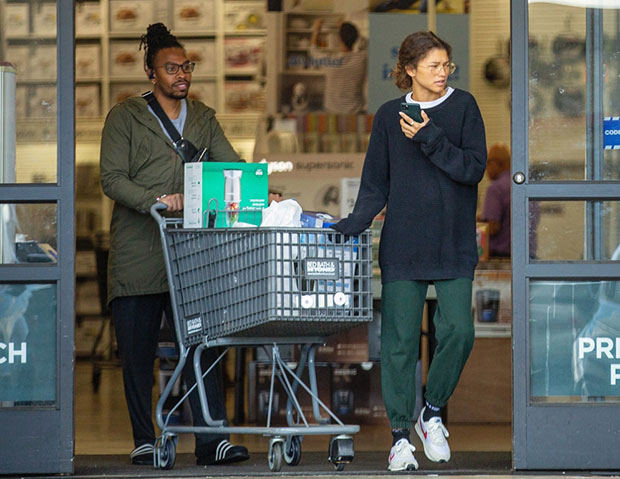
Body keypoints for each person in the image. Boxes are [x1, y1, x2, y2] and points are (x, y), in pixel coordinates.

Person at [331, 31, 486, 471]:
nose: (443, 73)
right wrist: (351, 225)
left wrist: (431, 138)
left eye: (447, 65)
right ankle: (400, 436)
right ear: (410, 69)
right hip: (402, 244)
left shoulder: (464, 108)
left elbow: (473, 169)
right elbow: (376, 183)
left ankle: (431, 411)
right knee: (398, 345)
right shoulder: (387, 116)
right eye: (434, 66)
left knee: (459, 330)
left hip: (453, 241)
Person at [99, 23, 249, 467]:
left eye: (186, 66)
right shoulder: (125, 116)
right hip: (138, 255)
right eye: (171, 68)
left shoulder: (203, 117)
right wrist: (156, 202)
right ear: (151, 72)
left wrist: (263, 189)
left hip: (192, 256)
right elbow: (111, 178)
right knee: (138, 355)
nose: (181, 74)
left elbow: (232, 167)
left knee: (203, 347)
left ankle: (210, 440)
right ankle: (145, 439)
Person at [310, 19, 367, 114]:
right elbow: (364, 42)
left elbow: (313, 50)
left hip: (333, 113)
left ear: (339, 39)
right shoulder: (362, 59)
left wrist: (316, 30)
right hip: (355, 113)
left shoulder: (330, 61)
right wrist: (346, 28)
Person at [478, 143, 511, 257]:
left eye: (487, 163)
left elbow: (492, 227)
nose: (486, 169)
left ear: (497, 163)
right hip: (525, 255)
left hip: (500, 254)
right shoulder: (519, 186)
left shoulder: (496, 188)